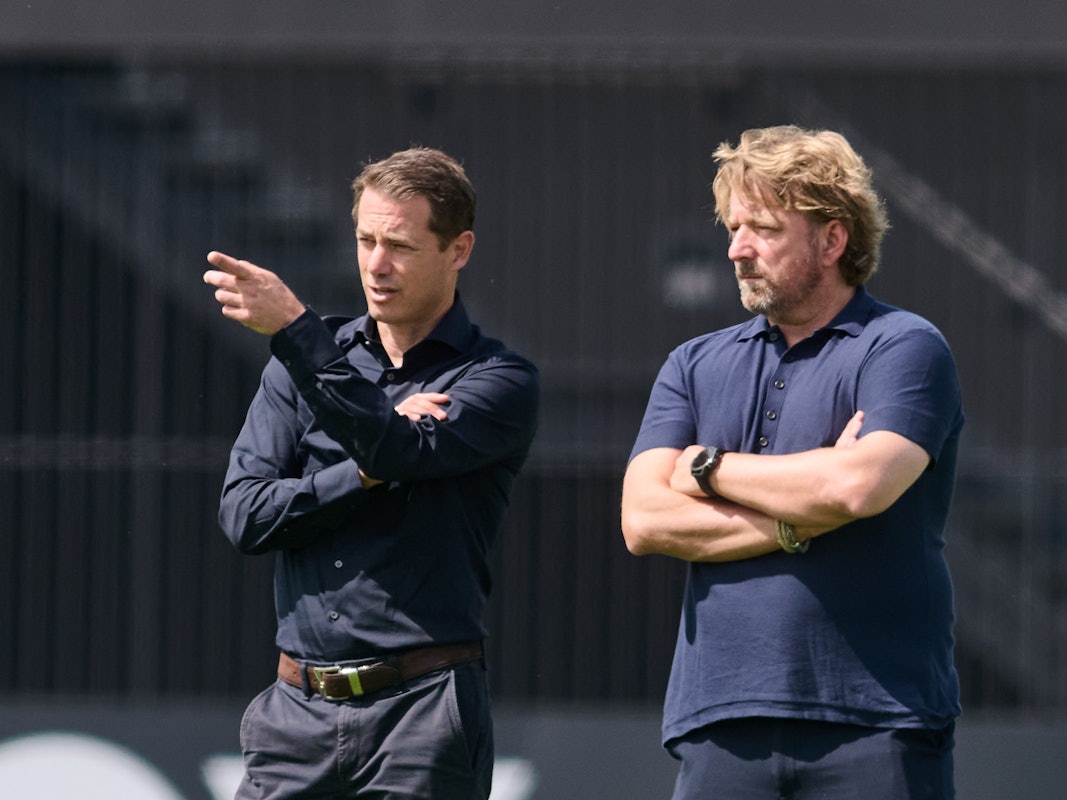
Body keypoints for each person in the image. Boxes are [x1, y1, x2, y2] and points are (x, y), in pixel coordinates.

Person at [621, 125, 963, 799]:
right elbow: (642, 520)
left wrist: (705, 467)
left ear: (832, 239)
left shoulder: (903, 347)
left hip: (877, 720)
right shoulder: (691, 363)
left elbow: (857, 487)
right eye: (733, 227)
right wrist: (797, 517)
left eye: (763, 230)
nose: (736, 250)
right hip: (718, 719)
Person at [203, 147, 539, 799]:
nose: (376, 265)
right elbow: (244, 517)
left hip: (420, 716)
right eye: (365, 240)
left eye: (401, 246)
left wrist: (298, 333)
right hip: (292, 712)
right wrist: (359, 469)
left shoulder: (496, 380)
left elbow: (396, 453)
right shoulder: (297, 369)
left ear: (458, 249)